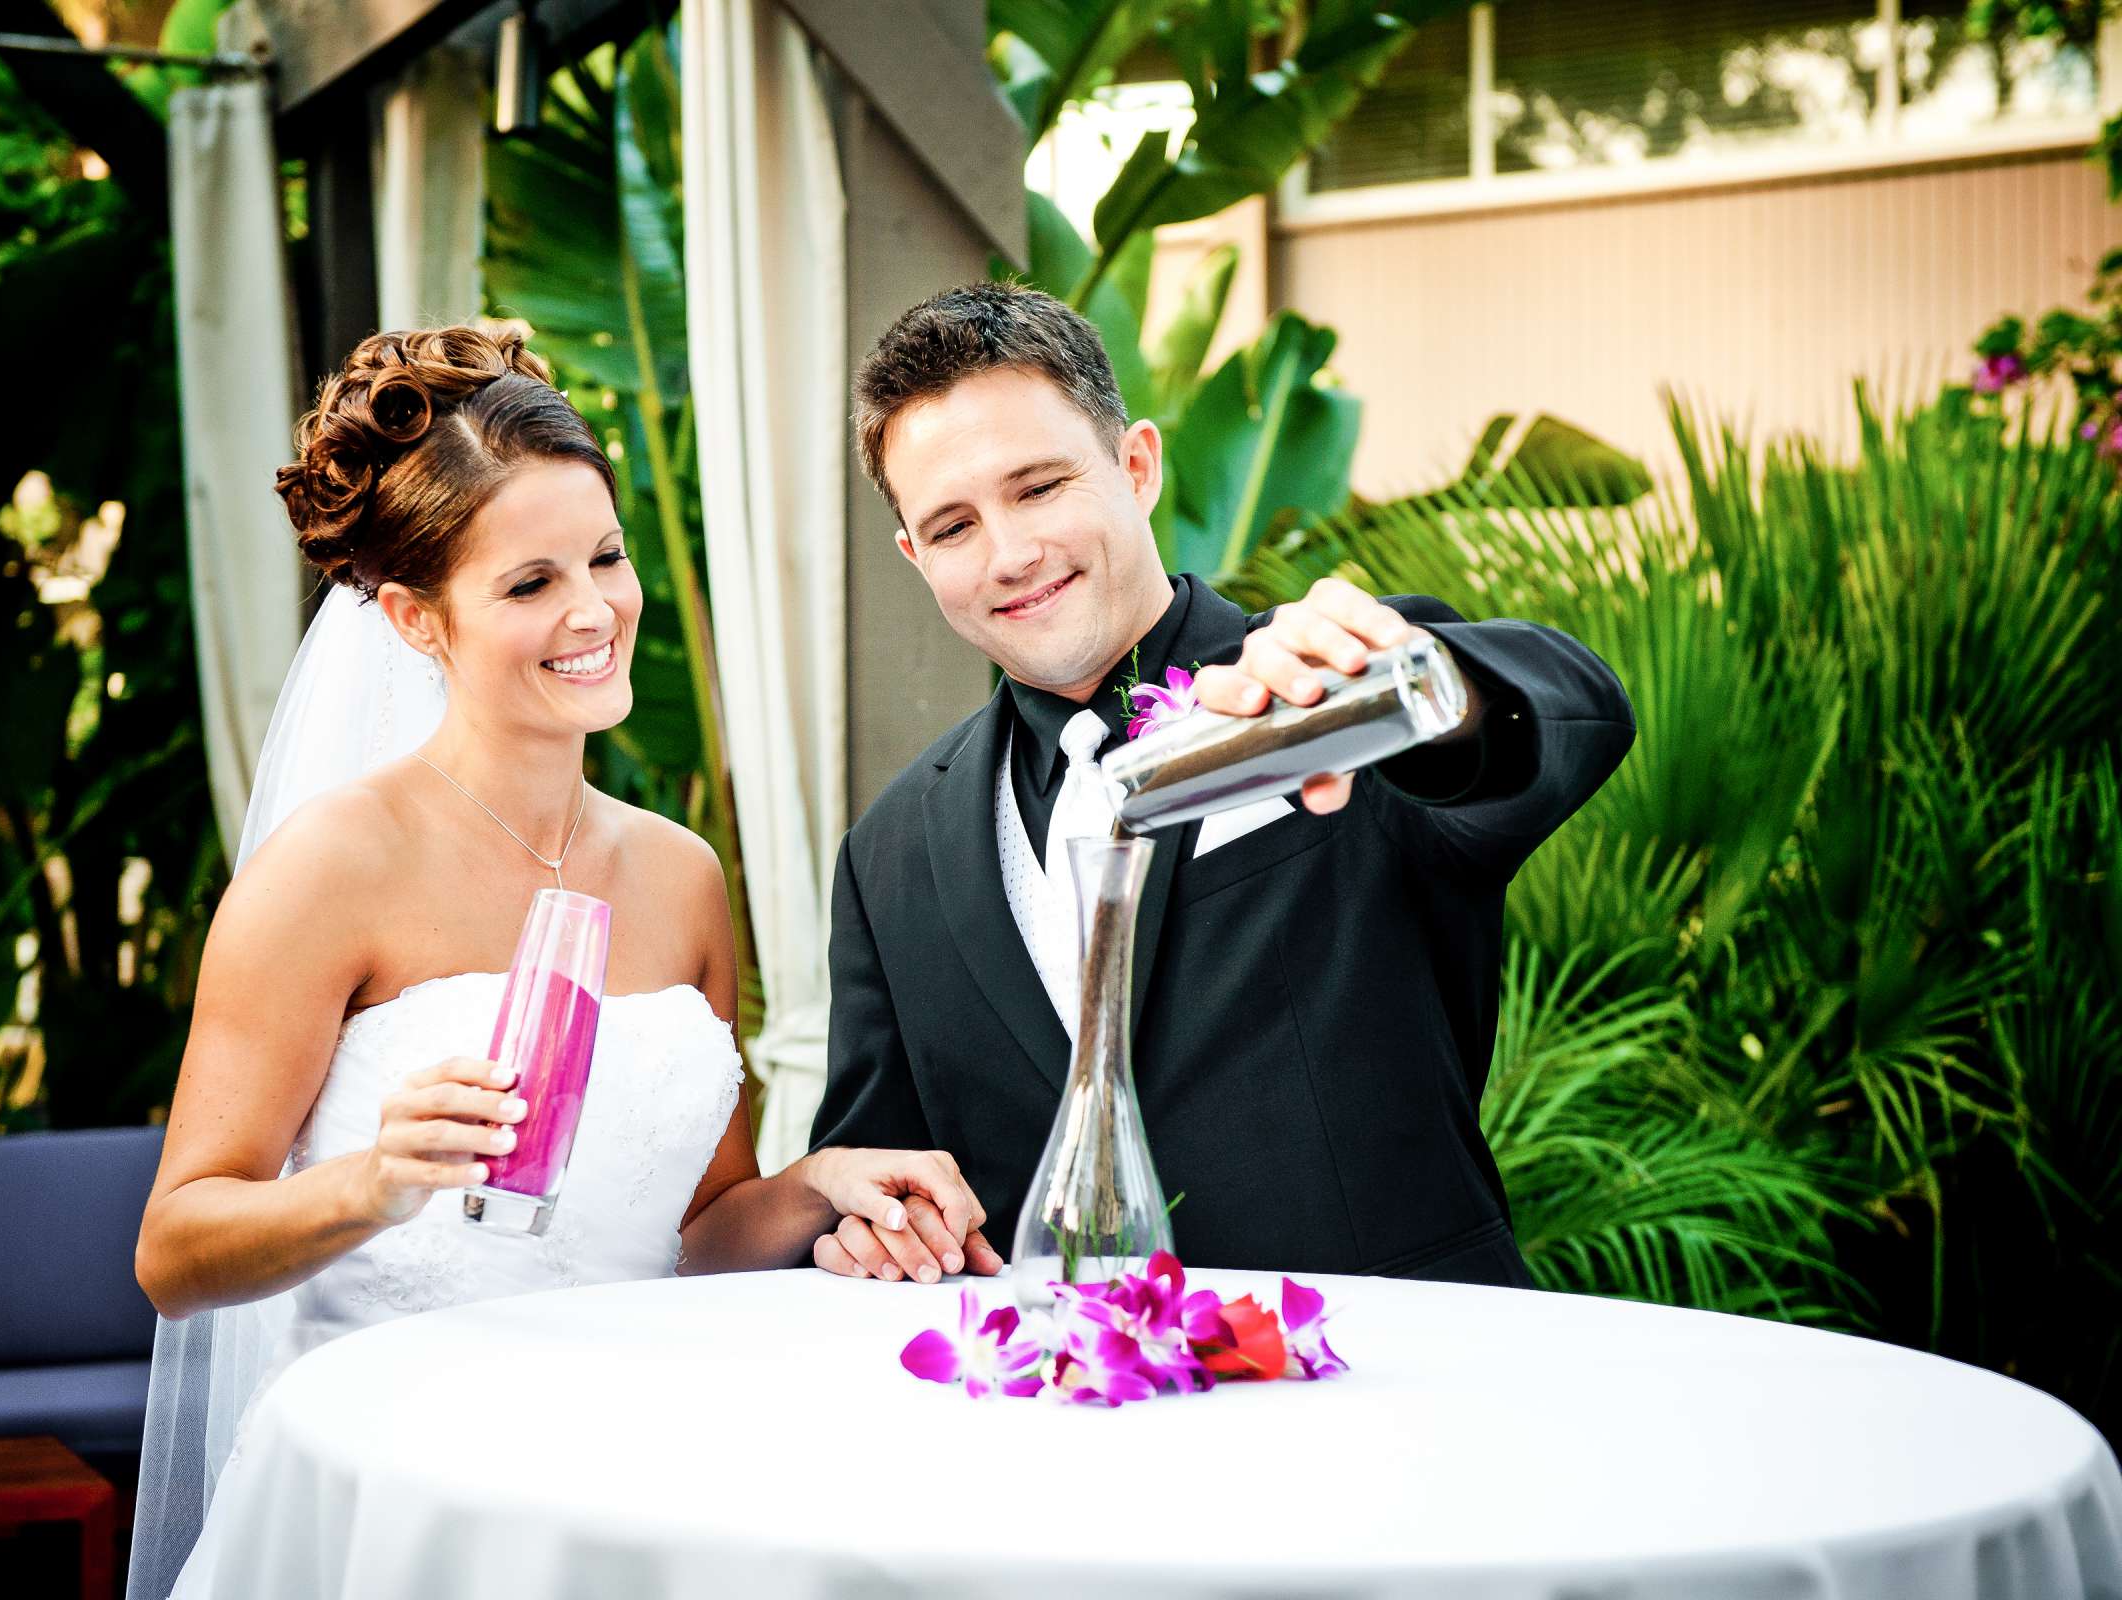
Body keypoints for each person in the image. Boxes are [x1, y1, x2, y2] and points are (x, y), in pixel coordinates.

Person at [125, 327, 987, 1600]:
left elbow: (695, 1233)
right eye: (528, 584)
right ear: (418, 618)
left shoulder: (682, 872)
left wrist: (821, 1183)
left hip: (644, 1471)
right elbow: (176, 1249)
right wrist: (371, 1181)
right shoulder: (328, 870)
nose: (593, 610)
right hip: (409, 1487)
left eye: (606, 557)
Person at [807, 282, 1635, 1289]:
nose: (1010, 554)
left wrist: (1420, 688)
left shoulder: (1328, 685)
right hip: (1061, 1408)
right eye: (953, 526)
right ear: (914, 557)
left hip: (1391, 1382)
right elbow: (884, 1175)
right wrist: (873, 1229)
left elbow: (1569, 711)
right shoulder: (888, 853)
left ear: (1138, 464)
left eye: (1037, 488)